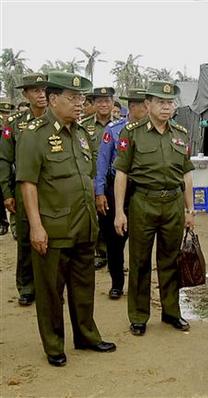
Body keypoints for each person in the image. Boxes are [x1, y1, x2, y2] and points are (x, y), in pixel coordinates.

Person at [16, 71, 116, 367]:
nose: (79, 103)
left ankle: (86, 335)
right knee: (50, 292)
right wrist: (35, 225)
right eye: (73, 98)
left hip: (83, 225)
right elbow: (28, 183)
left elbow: (87, 176)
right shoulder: (35, 134)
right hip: (53, 227)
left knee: (83, 287)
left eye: (81, 98)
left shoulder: (82, 134)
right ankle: (54, 345)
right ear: (53, 99)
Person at [113, 80, 195, 336]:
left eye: (170, 103)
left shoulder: (180, 134)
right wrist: (119, 211)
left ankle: (171, 312)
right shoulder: (132, 133)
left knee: (170, 260)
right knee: (139, 261)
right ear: (148, 104)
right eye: (161, 102)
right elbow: (121, 173)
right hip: (143, 203)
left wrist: (189, 210)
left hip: (172, 203)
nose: (166, 108)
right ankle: (138, 315)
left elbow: (187, 174)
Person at [0, 73, 48, 306]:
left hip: (52, 189)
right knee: (27, 239)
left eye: (44, 90)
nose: (41, 94)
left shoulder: (57, 120)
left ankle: (49, 285)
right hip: (23, 188)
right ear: (25, 94)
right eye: (35, 90)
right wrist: (6, 193)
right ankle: (27, 286)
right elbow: (4, 160)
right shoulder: (15, 123)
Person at [95, 88, 147, 299]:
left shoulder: (151, 131)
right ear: (133, 107)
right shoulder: (114, 130)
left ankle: (138, 286)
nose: (147, 109)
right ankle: (117, 283)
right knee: (114, 242)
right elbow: (102, 163)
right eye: (144, 105)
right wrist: (99, 192)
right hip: (115, 190)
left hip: (141, 191)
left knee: (141, 243)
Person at [81, 86, 115, 270]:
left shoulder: (120, 126)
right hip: (89, 179)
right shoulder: (83, 126)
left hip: (112, 181)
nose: (103, 104)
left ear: (113, 102)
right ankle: (96, 253)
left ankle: (110, 253)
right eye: (100, 101)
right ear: (93, 104)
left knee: (108, 217)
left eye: (107, 100)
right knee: (92, 218)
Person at [0, 99, 15, 236]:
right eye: (3, 112)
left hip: (12, 168)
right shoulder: (6, 127)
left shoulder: (8, 128)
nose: (5, 115)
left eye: (8, 112)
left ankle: (7, 223)